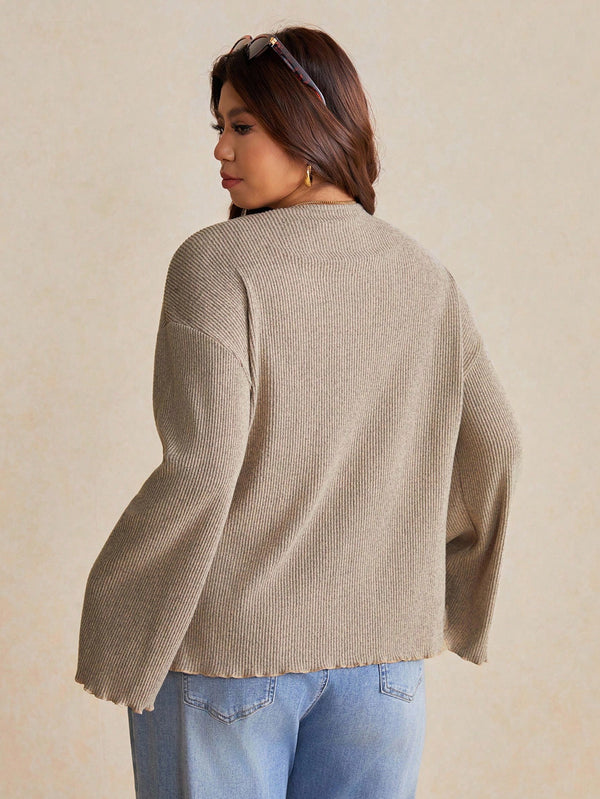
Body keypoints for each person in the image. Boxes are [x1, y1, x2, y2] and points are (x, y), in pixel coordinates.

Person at [75, 25, 523, 799]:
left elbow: (204, 468)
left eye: (242, 126)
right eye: (219, 126)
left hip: (230, 656)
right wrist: (430, 583)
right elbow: (500, 446)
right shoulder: (424, 276)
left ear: (311, 128)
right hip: (384, 666)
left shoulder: (217, 265)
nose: (220, 148)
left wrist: (119, 608)